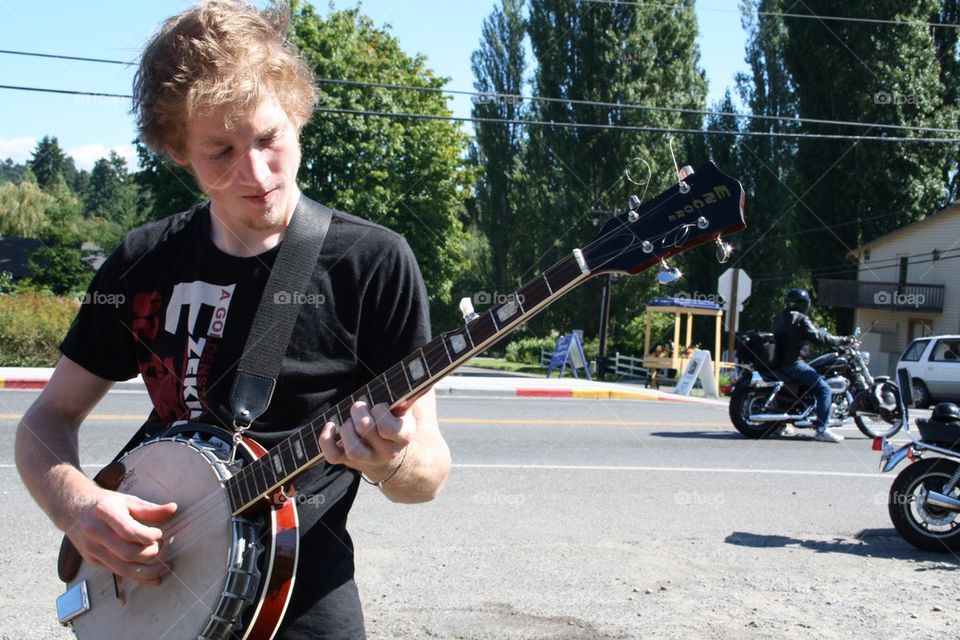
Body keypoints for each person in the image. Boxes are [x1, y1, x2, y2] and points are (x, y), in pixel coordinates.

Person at [13, 2, 451, 638]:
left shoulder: (371, 262)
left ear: (298, 116)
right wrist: (78, 505)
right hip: (148, 596)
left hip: (296, 602)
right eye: (220, 150)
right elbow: (46, 421)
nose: (256, 173)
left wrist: (386, 460)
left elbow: (427, 473)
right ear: (176, 150)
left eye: (269, 138)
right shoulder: (143, 261)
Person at [773, 288, 852, 443]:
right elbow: (819, 338)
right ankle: (822, 430)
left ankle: (781, 425)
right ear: (803, 304)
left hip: (780, 363)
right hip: (795, 364)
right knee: (824, 389)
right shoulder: (800, 319)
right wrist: (843, 340)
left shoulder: (780, 318)